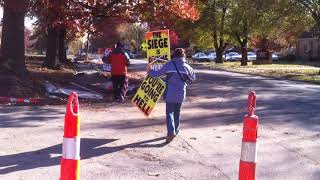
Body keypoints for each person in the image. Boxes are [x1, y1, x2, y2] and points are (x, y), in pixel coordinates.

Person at [146, 48, 196, 143]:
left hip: (170, 93)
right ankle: (176, 131)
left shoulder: (169, 65)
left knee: (169, 113)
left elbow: (156, 74)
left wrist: (149, 70)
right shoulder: (187, 66)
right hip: (181, 93)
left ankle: (171, 132)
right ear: (183, 56)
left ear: (174, 55)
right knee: (177, 112)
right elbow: (193, 78)